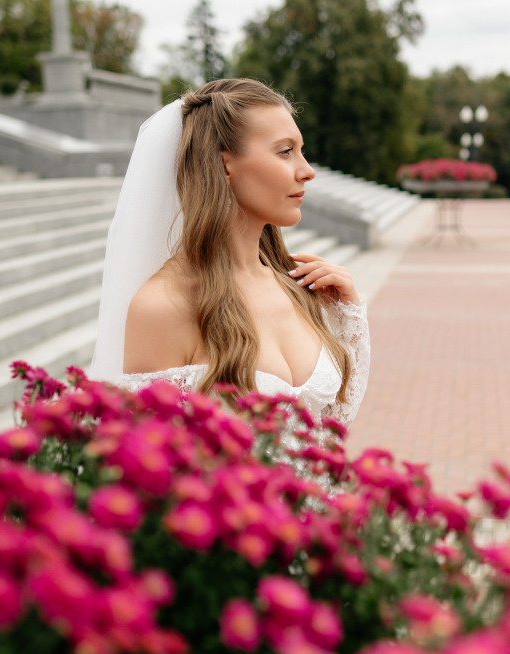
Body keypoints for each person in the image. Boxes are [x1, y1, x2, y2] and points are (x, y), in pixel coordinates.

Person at [90, 78, 369, 427]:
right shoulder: (163, 306)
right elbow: (150, 449)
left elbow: (332, 426)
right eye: (285, 151)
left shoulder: (295, 285)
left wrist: (348, 315)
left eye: (301, 151)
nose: (307, 171)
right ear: (224, 166)